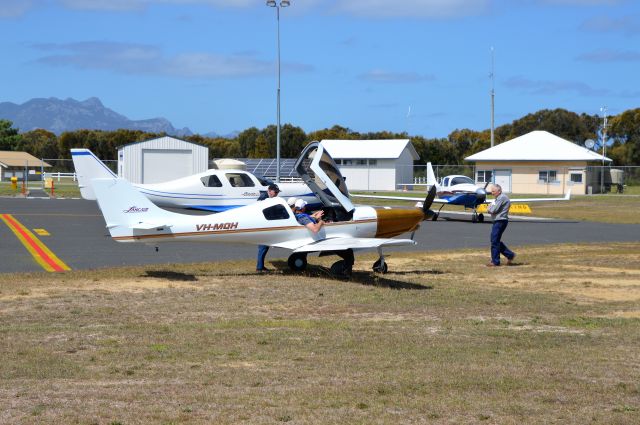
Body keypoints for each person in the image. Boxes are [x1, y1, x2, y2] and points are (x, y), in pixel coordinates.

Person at [486, 184, 516, 267]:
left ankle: (495, 261)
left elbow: (493, 210)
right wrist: (490, 208)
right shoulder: (498, 198)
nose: (492, 193)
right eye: (491, 191)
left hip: (500, 221)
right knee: (495, 240)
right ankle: (510, 255)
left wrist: (489, 208)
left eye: (493, 191)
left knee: (494, 241)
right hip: (498, 221)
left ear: (499, 191)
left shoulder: (501, 198)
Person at [256, 184, 280, 272]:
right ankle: (259, 267)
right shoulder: (264, 198)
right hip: (262, 226)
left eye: (277, 192)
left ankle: (260, 266)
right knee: (263, 246)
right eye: (275, 192)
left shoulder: (268, 198)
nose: (277, 194)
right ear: (269, 191)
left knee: (264, 247)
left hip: (264, 225)